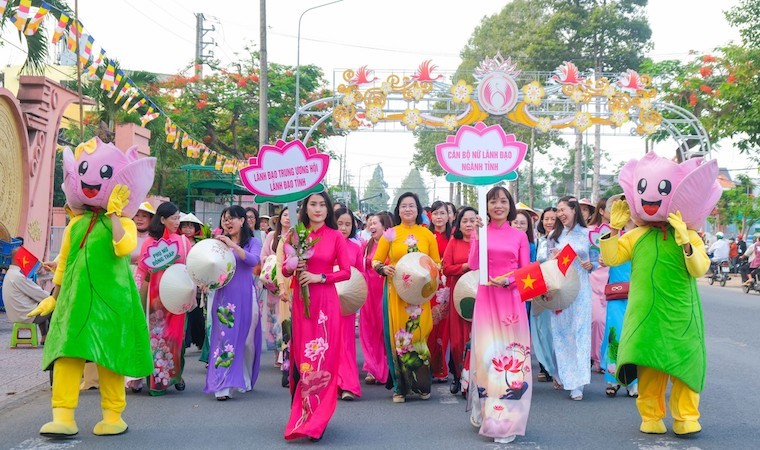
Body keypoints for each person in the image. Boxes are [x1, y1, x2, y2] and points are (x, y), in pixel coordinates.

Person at [283, 192, 351, 441]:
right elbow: (284, 268)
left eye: (323, 204)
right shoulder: (295, 235)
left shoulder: (335, 237)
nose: (318, 209)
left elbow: (345, 272)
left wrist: (320, 277)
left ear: (328, 209)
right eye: (313, 204)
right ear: (305, 208)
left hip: (326, 303)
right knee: (304, 359)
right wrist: (293, 265)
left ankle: (318, 419)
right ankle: (305, 411)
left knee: (324, 359)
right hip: (302, 303)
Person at [467, 186, 531, 444]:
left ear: (510, 205)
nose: (498, 206)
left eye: (503, 201)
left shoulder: (519, 236)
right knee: (487, 358)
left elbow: (527, 271)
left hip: (511, 302)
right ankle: (486, 412)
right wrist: (476, 235)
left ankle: (508, 421)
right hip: (486, 300)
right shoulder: (481, 232)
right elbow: (473, 264)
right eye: (493, 201)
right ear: (487, 206)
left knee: (512, 361)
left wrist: (508, 281)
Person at [371, 192, 441, 403]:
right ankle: (400, 388)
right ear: (398, 210)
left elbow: (437, 263)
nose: (408, 209)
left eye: (412, 205)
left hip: (420, 295)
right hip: (397, 293)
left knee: (419, 336)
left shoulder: (427, 234)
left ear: (418, 210)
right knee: (399, 338)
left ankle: (421, 385)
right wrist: (384, 268)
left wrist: (432, 271)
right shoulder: (390, 234)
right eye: (403, 206)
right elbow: (375, 261)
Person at [135, 202, 193, 396]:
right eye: (174, 218)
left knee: (177, 338)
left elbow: (190, 268)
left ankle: (177, 375)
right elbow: (142, 269)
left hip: (178, 297)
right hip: (156, 298)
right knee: (157, 338)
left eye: (178, 218)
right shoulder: (150, 242)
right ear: (162, 219)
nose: (177, 222)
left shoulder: (184, 242)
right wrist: (135, 292)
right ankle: (158, 381)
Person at [204, 205, 262, 400]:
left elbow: (253, 261)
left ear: (242, 221)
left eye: (232, 218)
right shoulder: (217, 243)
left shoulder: (252, 242)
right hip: (223, 296)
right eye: (225, 218)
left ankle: (243, 377)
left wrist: (233, 246)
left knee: (245, 341)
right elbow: (207, 264)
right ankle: (222, 385)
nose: (227, 222)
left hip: (246, 296)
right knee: (224, 339)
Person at [549, 196, 596, 401]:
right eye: (558, 210)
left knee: (579, 332)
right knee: (561, 333)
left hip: (581, 291)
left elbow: (599, 260)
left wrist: (591, 265)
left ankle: (578, 383)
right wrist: (552, 259)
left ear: (574, 210)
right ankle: (566, 376)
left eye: (562, 209)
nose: (560, 214)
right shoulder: (554, 235)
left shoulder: (588, 235)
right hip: (561, 289)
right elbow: (543, 260)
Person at [599, 195, 638, 398]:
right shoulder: (613, 235)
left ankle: (633, 380)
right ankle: (613, 378)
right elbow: (605, 257)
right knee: (615, 333)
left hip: (639, 295)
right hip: (617, 293)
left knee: (635, 336)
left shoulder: (644, 236)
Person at [442, 207, 477, 395]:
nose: (469, 224)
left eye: (472, 220)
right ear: (459, 224)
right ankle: (458, 375)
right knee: (457, 340)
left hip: (480, 295)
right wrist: (464, 267)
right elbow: (446, 267)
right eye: (465, 221)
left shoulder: (482, 242)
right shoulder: (454, 243)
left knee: (476, 336)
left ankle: (474, 379)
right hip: (459, 295)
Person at [360, 212, 392, 386]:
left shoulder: (392, 245)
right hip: (368, 293)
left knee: (384, 329)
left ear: (385, 225)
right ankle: (372, 367)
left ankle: (386, 366)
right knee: (369, 330)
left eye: (375, 223)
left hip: (385, 290)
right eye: (370, 224)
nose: (371, 226)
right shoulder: (366, 245)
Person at [335, 207, 363, 401]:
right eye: (340, 224)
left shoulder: (356, 248)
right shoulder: (323, 244)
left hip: (347, 300)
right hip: (326, 299)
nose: (344, 228)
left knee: (345, 343)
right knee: (329, 342)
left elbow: (361, 274)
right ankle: (331, 383)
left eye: (348, 224)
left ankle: (348, 384)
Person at [2, 245, 51, 342]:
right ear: (19, 258)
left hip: (17, 314)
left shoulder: (10, 274)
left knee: (42, 304)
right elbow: (39, 294)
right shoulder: (17, 276)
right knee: (52, 305)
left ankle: (44, 337)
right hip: (25, 316)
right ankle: (53, 340)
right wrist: (54, 297)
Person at [428, 200, 451, 383]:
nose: (439, 217)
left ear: (448, 215)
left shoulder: (454, 236)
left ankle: (441, 367)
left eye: (442, 213)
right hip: (428, 285)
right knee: (429, 325)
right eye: (435, 213)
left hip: (447, 285)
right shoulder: (426, 236)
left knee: (444, 327)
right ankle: (426, 365)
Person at [532, 207, 557, 383]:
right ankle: (545, 366)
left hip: (558, 287)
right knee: (541, 328)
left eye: (553, 219)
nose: (549, 222)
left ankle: (557, 366)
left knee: (555, 328)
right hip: (540, 288)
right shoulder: (539, 241)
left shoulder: (562, 241)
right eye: (546, 219)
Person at [586, 197, 609, 374]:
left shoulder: (622, 233)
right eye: (611, 209)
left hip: (613, 281)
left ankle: (604, 357)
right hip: (592, 280)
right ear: (601, 210)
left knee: (609, 322)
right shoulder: (589, 232)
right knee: (596, 320)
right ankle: (595, 357)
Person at [179, 212, 206, 352]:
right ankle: (185, 340)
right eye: (185, 226)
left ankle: (199, 340)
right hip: (181, 280)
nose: (188, 229)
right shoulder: (177, 241)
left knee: (197, 313)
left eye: (191, 226)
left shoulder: (200, 244)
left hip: (196, 281)